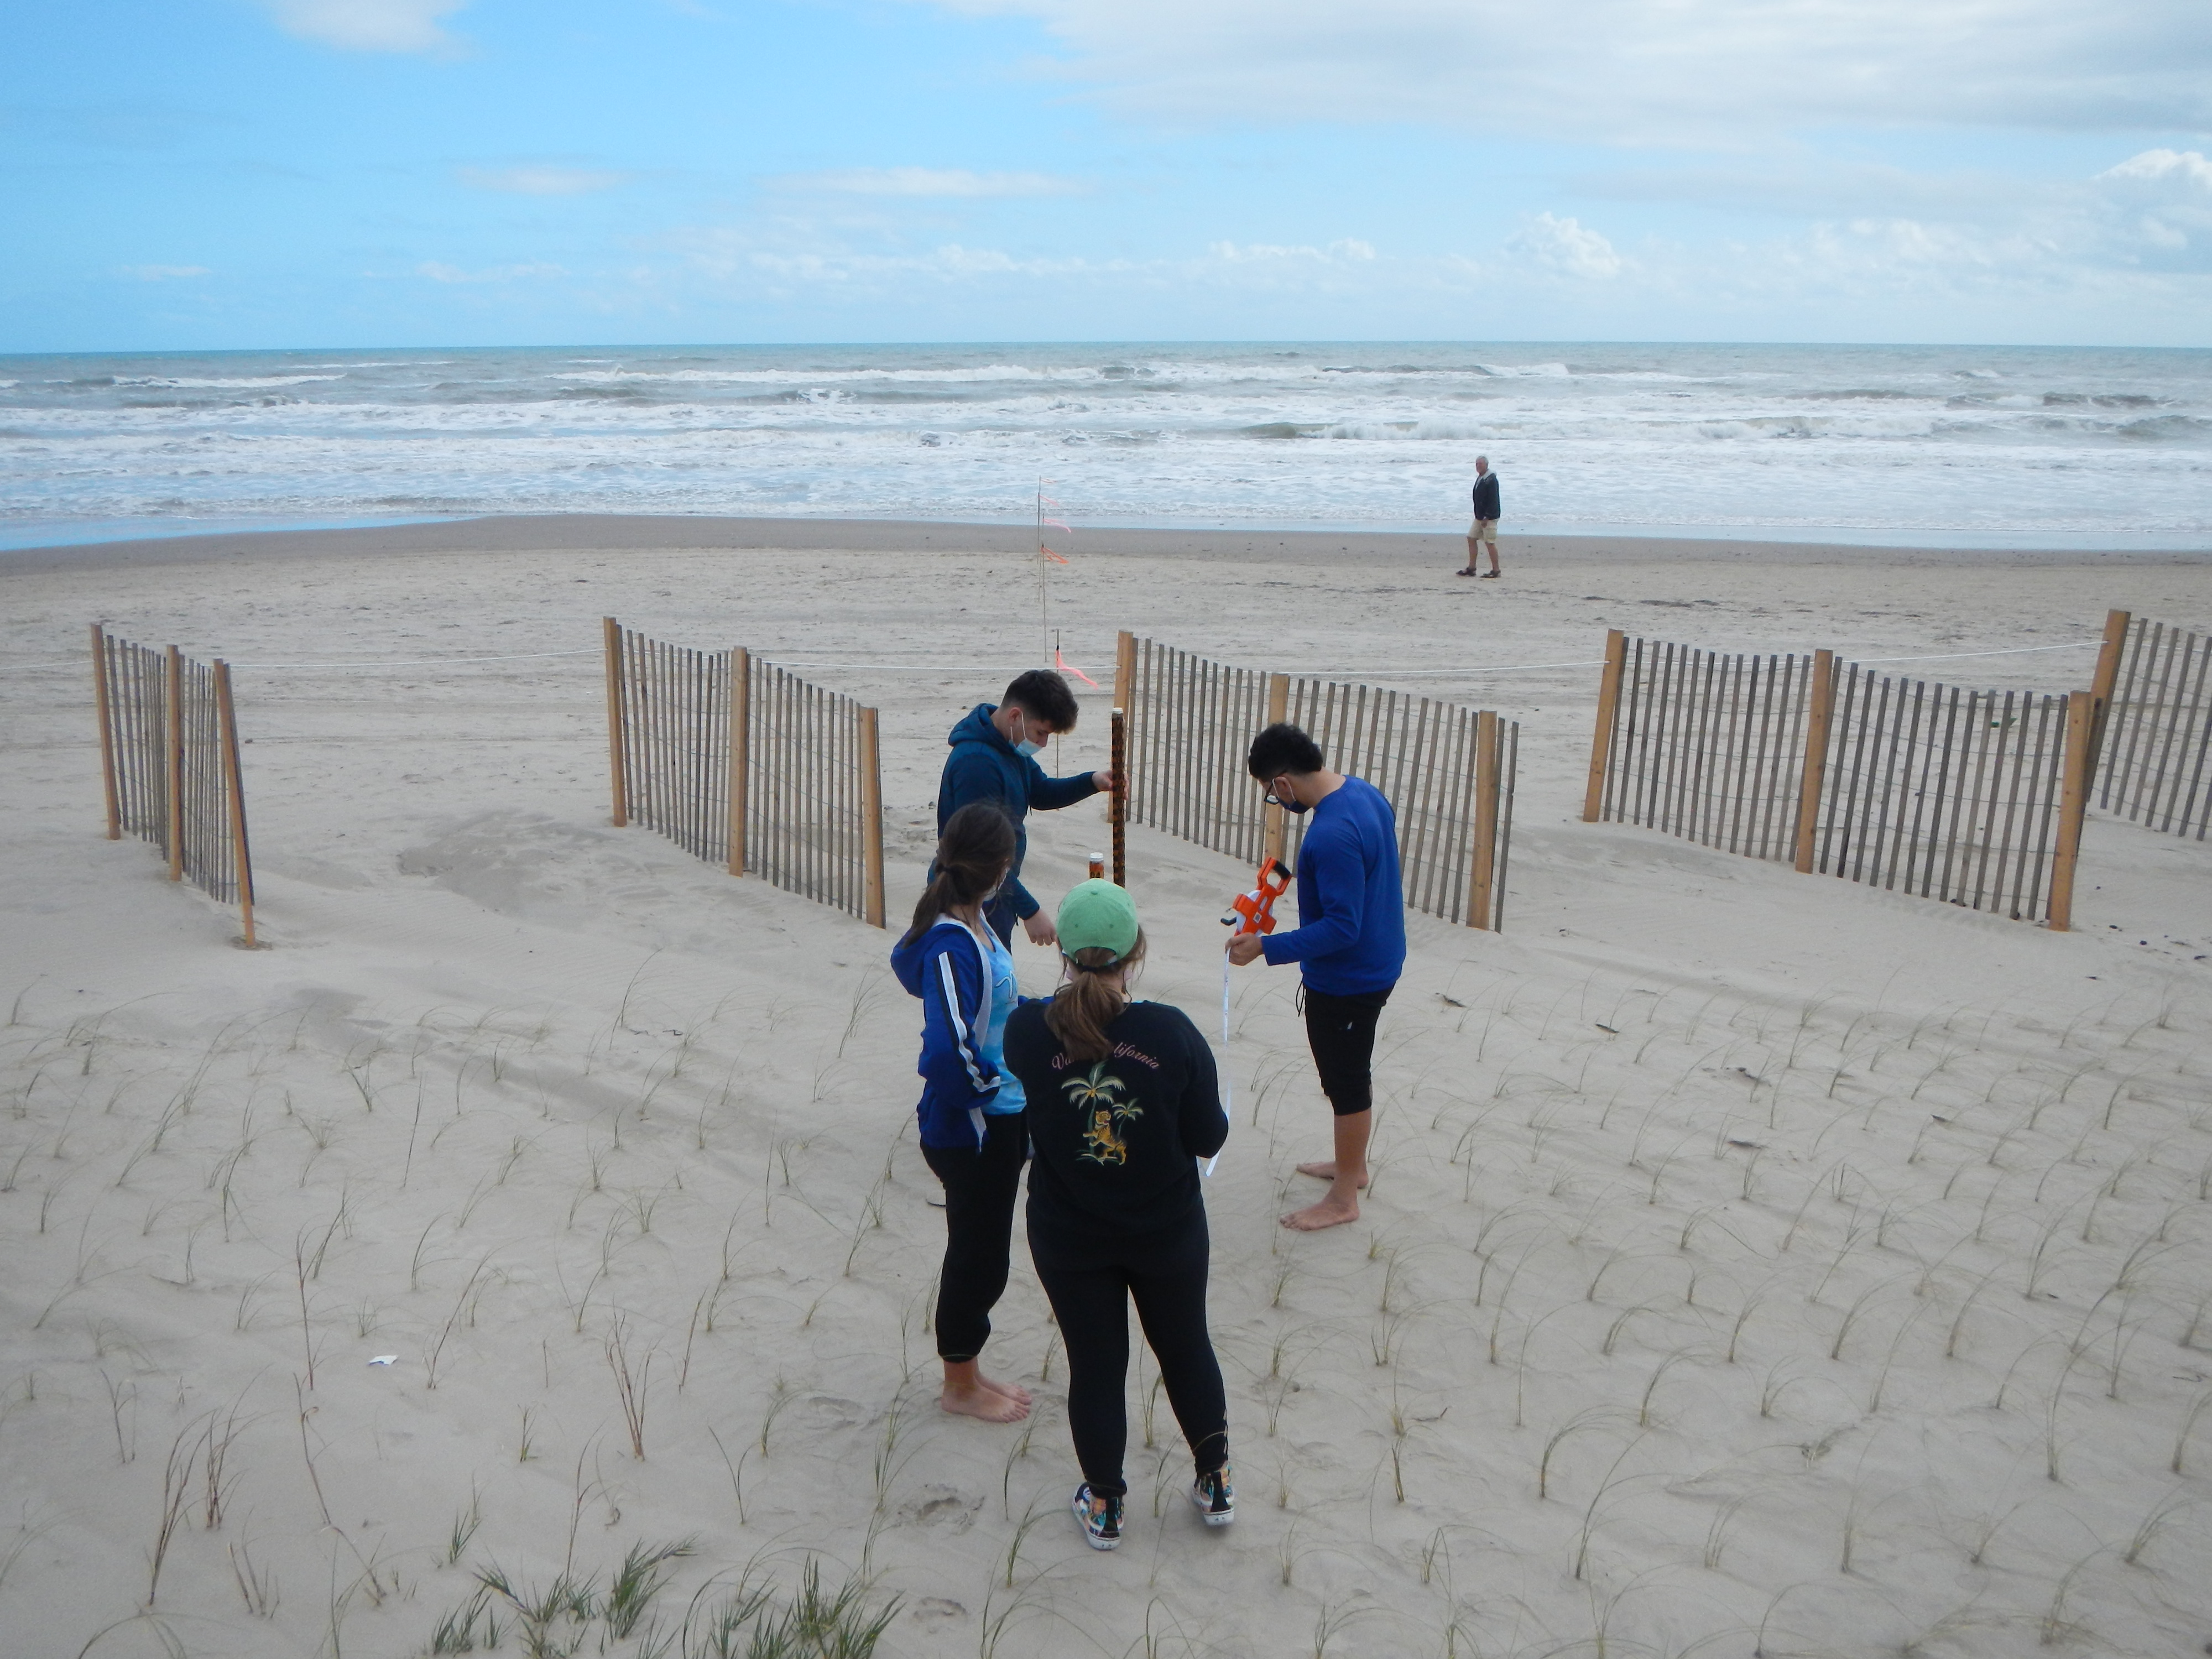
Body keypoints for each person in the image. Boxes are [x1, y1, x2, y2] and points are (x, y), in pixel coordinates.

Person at [1002, 879, 1233, 1551]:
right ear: (1134, 951)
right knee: (1185, 1342)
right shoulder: (1169, 1032)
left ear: (1064, 954)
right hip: (1166, 1229)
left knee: (1096, 1362)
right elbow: (1208, 1137)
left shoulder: (1027, 1028)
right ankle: (1214, 1479)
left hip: (1070, 1232)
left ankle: (1106, 1503)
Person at [1227, 723, 1406, 1232]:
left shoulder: (1330, 834)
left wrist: (1268, 946)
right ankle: (1352, 1166)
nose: (1273, 800)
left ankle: (1344, 1196)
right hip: (1380, 959)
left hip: (1351, 978)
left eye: (1269, 792)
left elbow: (1342, 928)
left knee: (1346, 1082)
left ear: (1282, 782)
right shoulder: (1364, 794)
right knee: (1346, 1075)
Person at [889, 802, 1034, 1424]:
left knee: (984, 1253)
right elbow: (949, 1048)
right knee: (976, 1257)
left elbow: (995, 1009)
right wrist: (989, 1090)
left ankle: (968, 1370)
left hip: (1000, 1120)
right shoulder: (951, 942)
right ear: (1000, 866)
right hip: (972, 1130)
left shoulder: (979, 921)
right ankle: (958, 1384)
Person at [938, 669, 1112, 949]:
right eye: (1041, 732)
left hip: (998, 893)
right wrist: (1030, 910)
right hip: (968, 899)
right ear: (1015, 716)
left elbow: (1039, 791)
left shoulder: (1010, 746)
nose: (1042, 743)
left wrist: (1092, 782)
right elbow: (979, 856)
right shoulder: (977, 764)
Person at [1458, 456, 1501, 578]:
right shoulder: (1481, 478)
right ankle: (1472, 568)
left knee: (1490, 542)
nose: (1478, 466)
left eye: (1481, 464)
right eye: (1477, 464)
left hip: (1489, 517)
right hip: (1480, 516)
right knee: (1471, 537)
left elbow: (1493, 500)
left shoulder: (1491, 480)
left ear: (1486, 465)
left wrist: (1487, 517)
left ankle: (1496, 570)